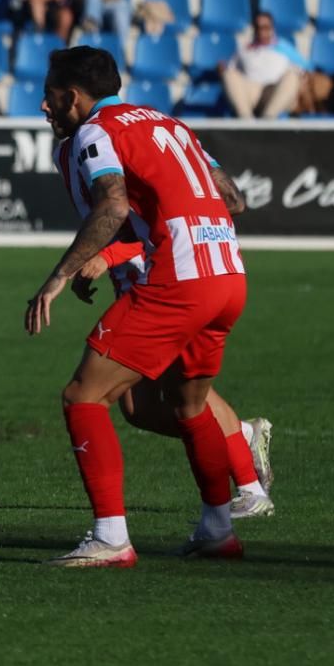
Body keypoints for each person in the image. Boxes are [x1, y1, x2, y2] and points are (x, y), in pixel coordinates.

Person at [26, 46, 252, 567]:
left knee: (83, 395)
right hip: (229, 273)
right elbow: (233, 199)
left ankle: (110, 537)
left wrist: (58, 276)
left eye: (50, 96)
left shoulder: (96, 131)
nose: (45, 107)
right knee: (189, 406)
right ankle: (219, 530)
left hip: (181, 280)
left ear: (73, 97)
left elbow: (113, 202)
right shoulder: (168, 123)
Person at [55, 136, 273, 519]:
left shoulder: (118, 140)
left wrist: (110, 255)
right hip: (145, 280)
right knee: (140, 407)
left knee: (173, 393)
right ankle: (237, 448)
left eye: (51, 94)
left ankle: (247, 483)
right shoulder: (81, 146)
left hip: (168, 279)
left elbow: (164, 226)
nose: (43, 105)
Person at [221, 10, 305, 120]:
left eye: (265, 27)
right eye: (258, 27)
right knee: (228, 74)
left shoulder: (284, 48)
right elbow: (231, 69)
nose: (261, 31)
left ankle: (268, 120)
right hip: (250, 93)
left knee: (292, 76)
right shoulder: (244, 49)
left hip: (274, 92)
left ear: (272, 28)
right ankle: (246, 121)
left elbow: (304, 69)